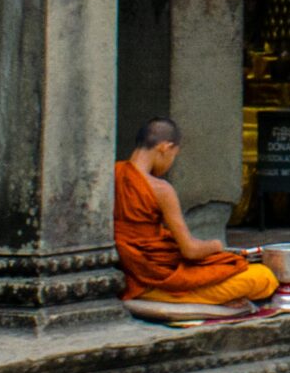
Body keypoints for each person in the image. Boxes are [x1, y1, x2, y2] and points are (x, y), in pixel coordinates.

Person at [113, 116, 280, 306]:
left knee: (221, 265)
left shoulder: (112, 174)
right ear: (164, 148)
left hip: (127, 272)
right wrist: (216, 245)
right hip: (157, 278)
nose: (170, 163)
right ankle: (165, 295)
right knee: (263, 278)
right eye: (173, 156)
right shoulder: (161, 189)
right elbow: (190, 251)